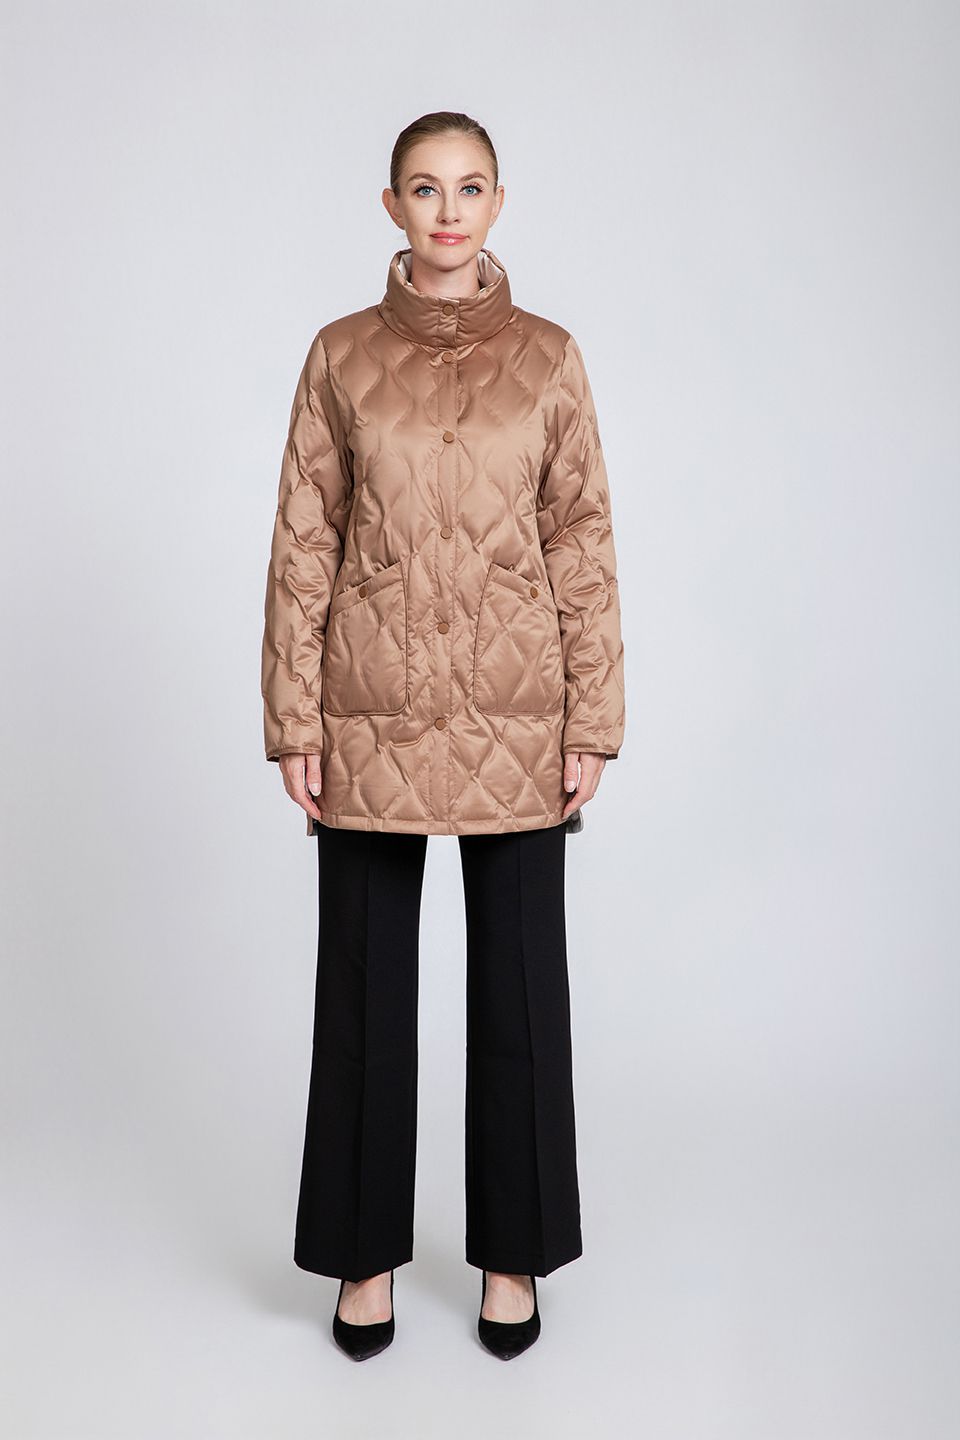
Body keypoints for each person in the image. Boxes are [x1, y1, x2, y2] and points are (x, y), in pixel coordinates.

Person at [260, 110, 625, 1361]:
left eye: (470, 188)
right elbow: (304, 542)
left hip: (520, 717)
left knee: (520, 993)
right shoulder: (340, 356)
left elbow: (582, 543)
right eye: (426, 188)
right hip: (370, 708)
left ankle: (513, 1255)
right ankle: (361, 1255)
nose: (449, 211)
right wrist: (293, 719)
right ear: (393, 207)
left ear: (499, 203)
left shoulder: (551, 359)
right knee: (363, 989)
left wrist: (594, 719)